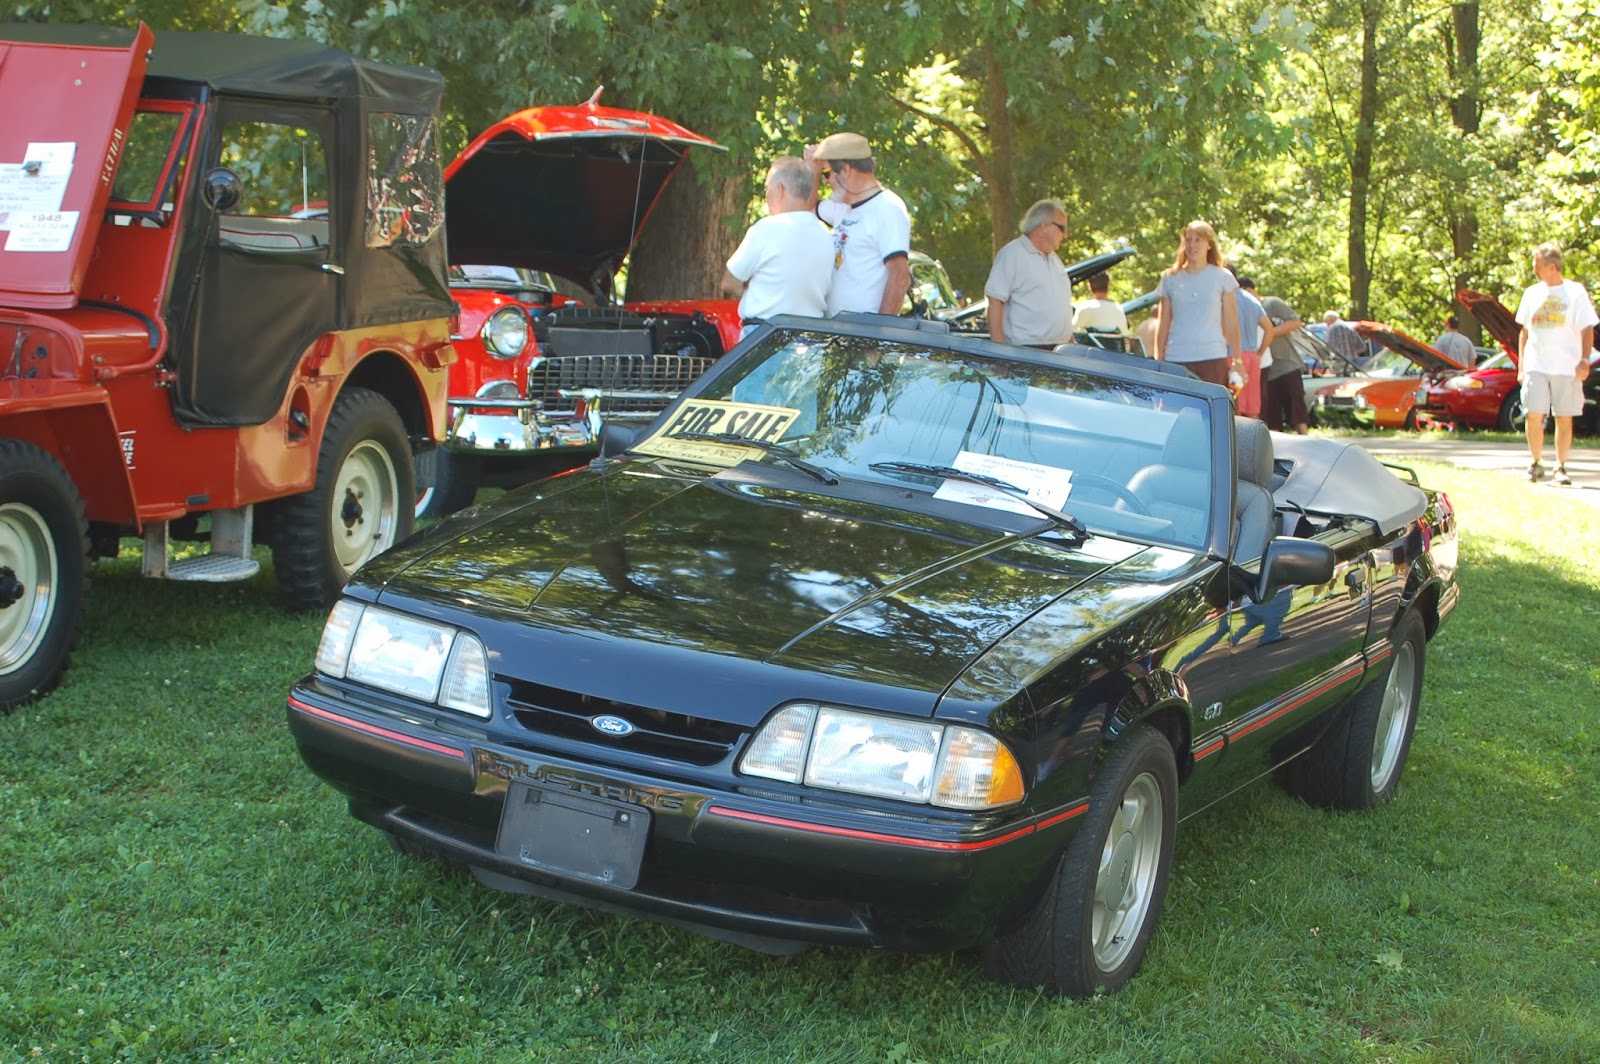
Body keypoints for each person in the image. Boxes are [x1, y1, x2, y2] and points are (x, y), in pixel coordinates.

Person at [721, 157, 834, 336]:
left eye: (767, 189)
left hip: (763, 337)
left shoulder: (767, 229)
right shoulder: (827, 236)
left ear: (779, 190)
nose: (766, 196)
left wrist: (750, 290)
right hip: (810, 340)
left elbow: (729, 282)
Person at [1514, 242, 1596, 485]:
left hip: (1566, 366)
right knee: (1533, 414)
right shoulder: (1531, 293)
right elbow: (1524, 332)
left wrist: (1583, 360)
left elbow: (1587, 328)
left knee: (1563, 416)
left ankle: (1560, 467)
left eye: (1536, 265)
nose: (1534, 270)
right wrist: (1521, 366)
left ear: (1551, 267)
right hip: (1536, 364)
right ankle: (1536, 462)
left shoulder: (1575, 292)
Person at [805, 132, 912, 316]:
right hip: (839, 333)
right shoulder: (844, 208)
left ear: (845, 170)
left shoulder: (887, 207)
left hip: (864, 333)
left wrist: (877, 336)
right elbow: (809, 209)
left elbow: (900, 277)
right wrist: (813, 170)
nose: (826, 182)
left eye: (826, 174)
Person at [1154, 220, 1240, 387]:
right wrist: (1158, 360)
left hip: (1212, 357)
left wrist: (1238, 361)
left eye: (1198, 240)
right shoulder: (1170, 278)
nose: (1192, 245)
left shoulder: (1222, 277)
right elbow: (1163, 322)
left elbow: (1232, 322)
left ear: (1209, 245)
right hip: (1177, 357)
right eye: (1189, 239)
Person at [982, 199, 1073, 348]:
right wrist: (999, 353)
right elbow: (995, 301)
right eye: (1062, 228)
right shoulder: (1012, 254)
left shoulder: (1055, 260)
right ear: (1044, 226)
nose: (1065, 235)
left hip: (1059, 350)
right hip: (1026, 350)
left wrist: (1071, 344)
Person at [1258, 288, 1311, 433]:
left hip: (1288, 364)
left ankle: (1305, 442)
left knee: (1297, 410)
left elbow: (1295, 322)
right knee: (1271, 414)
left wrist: (1270, 332)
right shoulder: (1242, 307)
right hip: (1265, 368)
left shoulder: (1271, 303)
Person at [1232, 275, 1272, 419]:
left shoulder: (1226, 298)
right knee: (1252, 406)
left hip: (1233, 356)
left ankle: (1235, 441)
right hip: (1253, 356)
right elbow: (1269, 329)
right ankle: (1252, 439)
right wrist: (1260, 353)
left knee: (1235, 405)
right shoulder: (1252, 300)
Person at [1073, 271, 1129, 336]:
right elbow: (1125, 335)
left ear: (1089, 286)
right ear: (1108, 286)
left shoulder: (1084, 308)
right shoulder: (1119, 309)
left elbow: (1072, 332)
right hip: (1111, 346)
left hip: (1091, 346)